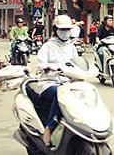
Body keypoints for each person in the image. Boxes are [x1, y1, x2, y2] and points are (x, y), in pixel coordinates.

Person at [36, 15, 78, 147]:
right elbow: (40, 63)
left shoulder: (71, 47)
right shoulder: (48, 46)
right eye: (62, 29)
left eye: (67, 29)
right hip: (49, 83)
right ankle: (50, 127)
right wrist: (49, 67)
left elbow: (77, 63)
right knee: (60, 93)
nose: (65, 32)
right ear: (56, 30)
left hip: (67, 83)